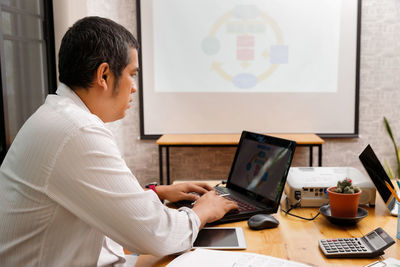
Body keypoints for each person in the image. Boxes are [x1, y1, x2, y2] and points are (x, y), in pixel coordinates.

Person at [0, 16, 238, 266]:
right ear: (103, 75)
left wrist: (155, 193)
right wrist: (202, 211)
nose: (134, 88)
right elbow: (158, 236)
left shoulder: (58, 115)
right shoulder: (77, 131)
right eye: (131, 75)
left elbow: (99, 198)